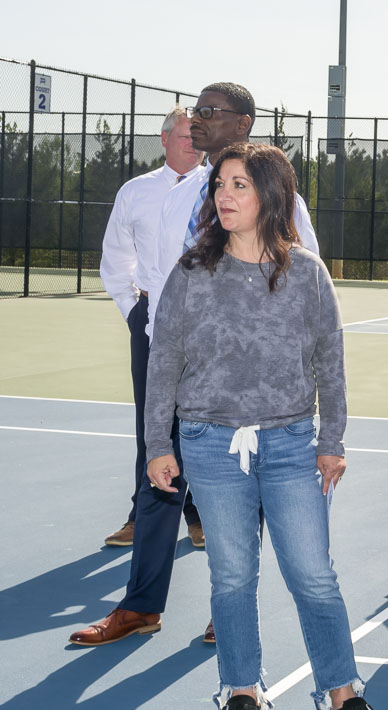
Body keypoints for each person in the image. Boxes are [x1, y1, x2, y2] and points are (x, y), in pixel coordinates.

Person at [144, 142, 382, 710]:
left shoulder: (306, 271)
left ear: (271, 196)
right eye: (220, 184)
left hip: (292, 444)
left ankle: (342, 691)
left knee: (313, 575)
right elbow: (164, 360)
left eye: (239, 185)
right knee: (231, 577)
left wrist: (332, 440)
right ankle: (241, 690)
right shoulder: (191, 272)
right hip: (208, 443)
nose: (224, 194)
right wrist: (156, 443)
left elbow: (330, 361)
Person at [69, 81, 318, 648]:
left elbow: (302, 281)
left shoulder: (281, 201)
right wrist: (144, 321)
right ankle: (140, 607)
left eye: (212, 112)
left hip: (243, 377)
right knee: (159, 481)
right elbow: (156, 276)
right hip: (175, 362)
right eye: (197, 111)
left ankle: (229, 607)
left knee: (238, 492)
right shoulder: (183, 195)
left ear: (245, 123)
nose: (199, 120)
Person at [97, 105, 204, 549]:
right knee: (153, 421)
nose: (193, 144)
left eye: (198, 137)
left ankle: (198, 515)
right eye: (184, 137)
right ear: (163, 140)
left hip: (206, 325)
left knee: (200, 421)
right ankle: (141, 517)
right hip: (151, 322)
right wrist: (132, 310)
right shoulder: (135, 192)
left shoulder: (219, 187)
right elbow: (116, 256)